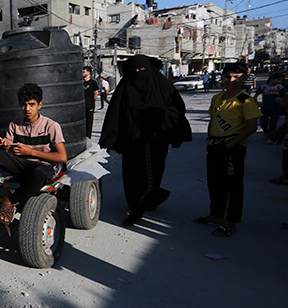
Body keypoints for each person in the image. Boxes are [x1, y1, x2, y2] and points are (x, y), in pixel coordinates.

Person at [100, 55, 193, 227]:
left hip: (156, 140)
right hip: (132, 142)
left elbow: (177, 109)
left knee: (152, 174)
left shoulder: (162, 85)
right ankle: (136, 207)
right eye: (133, 71)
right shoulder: (125, 87)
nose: (138, 74)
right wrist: (112, 139)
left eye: (141, 70)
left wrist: (158, 116)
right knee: (133, 175)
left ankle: (149, 201)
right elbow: (115, 115)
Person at [0, 83, 67, 224]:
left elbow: (62, 157)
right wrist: (5, 146)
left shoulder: (51, 126)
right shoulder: (15, 124)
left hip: (42, 166)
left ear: (39, 105)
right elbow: (8, 149)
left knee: (42, 172)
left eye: (31, 104)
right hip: (22, 164)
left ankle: (10, 202)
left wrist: (31, 152)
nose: (27, 109)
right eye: (23, 104)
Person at [194, 62, 262, 237]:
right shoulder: (217, 98)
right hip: (215, 146)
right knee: (215, 183)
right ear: (222, 77)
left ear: (243, 79)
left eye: (236, 77)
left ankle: (230, 222)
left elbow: (252, 127)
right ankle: (216, 215)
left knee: (233, 186)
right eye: (228, 76)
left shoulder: (244, 100)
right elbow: (213, 119)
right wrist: (210, 138)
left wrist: (230, 144)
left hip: (233, 148)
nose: (231, 80)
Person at [254, 72, 286, 141]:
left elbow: (286, 95)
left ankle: (270, 137)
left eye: (281, 80)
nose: (280, 82)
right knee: (263, 122)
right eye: (278, 80)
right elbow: (256, 95)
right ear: (272, 79)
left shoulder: (280, 87)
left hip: (276, 107)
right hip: (265, 107)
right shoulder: (264, 87)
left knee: (273, 123)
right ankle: (266, 133)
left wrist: (281, 99)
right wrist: (257, 103)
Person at [83, 67, 98, 138]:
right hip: (82, 105)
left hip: (89, 105)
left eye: (84, 72)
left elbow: (96, 93)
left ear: (88, 73)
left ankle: (88, 136)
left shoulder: (93, 83)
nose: (82, 73)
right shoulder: (81, 83)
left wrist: (92, 101)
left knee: (89, 121)